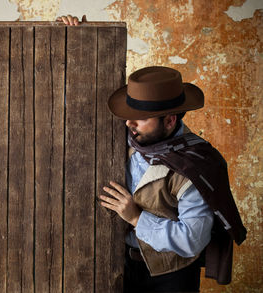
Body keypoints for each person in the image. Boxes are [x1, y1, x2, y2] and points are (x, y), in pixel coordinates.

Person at [56, 16, 246, 292]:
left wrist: (135, 217)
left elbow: (192, 239)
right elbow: (75, 107)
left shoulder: (195, 167)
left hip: (171, 276)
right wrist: (73, 38)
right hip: (118, 264)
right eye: (129, 116)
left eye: (140, 118)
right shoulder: (132, 134)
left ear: (170, 121)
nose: (128, 123)